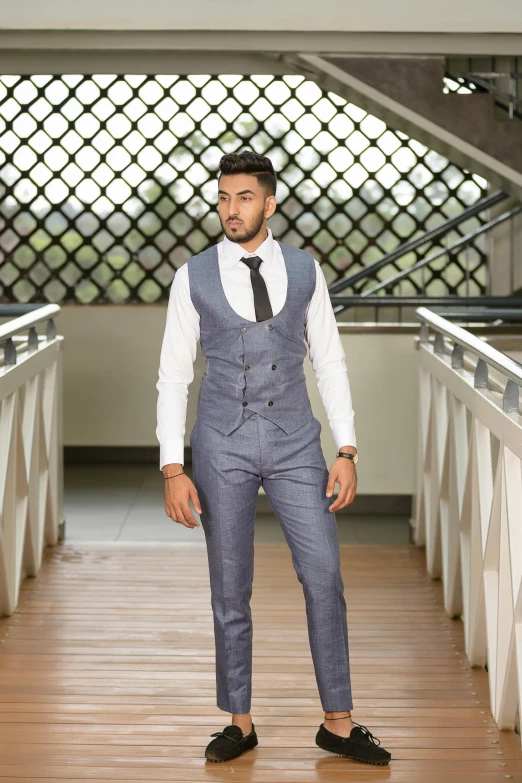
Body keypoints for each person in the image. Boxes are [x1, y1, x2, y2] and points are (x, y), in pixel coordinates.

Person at [156, 150, 391, 766]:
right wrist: (172, 467)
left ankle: (338, 722)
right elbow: (172, 376)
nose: (230, 209)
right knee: (230, 589)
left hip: (294, 441)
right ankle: (239, 721)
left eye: (243, 198)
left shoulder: (306, 272)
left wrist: (346, 447)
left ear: (270, 202)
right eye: (223, 198)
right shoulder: (193, 276)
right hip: (219, 442)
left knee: (324, 576)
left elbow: (330, 361)